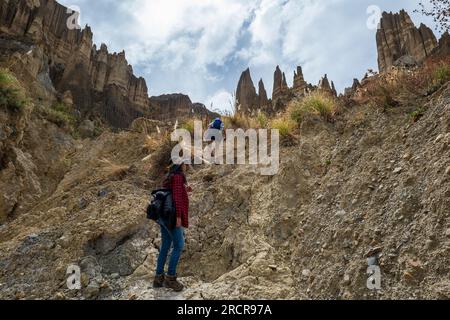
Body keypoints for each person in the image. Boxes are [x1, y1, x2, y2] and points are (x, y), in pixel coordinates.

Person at [153, 161, 192, 292]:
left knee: (165, 246)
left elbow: (173, 192)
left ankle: (158, 278)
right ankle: (170, 278)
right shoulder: (178, 177)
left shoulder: (171, 176)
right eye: (186, 163)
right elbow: (177, 199)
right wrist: (179, 218)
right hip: (172, 217)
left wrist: (185, 188)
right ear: (181, 164)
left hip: (164, 217)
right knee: (179, 245)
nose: (187, 165)